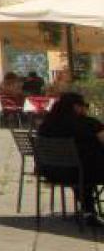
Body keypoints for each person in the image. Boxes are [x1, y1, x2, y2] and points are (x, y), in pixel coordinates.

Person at [37, 92, 104, 225]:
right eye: (84, 106)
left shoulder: (46, 125)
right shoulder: (88, 123)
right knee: (87, 167)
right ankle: (88, 211)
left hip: (51, 171)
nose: (86, 109)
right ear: (76, 107)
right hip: (84, 173)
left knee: (81, 167)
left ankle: (88, 211)